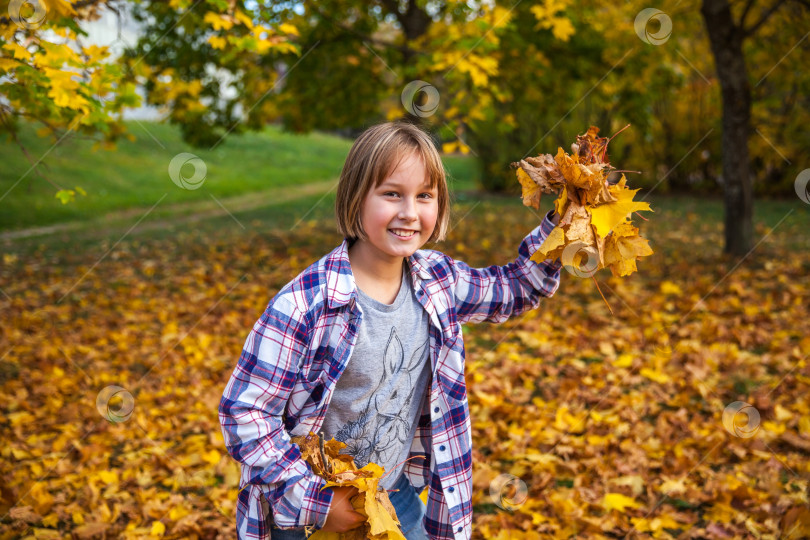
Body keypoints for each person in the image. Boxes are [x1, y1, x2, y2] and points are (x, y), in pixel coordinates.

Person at [218, 121, 562, 540]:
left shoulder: (439, 280)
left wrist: (565, 226)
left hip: (391, 493)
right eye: (392, 194)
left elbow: (516, 287)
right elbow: (246, 412)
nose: (409, 213)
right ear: (355, 198)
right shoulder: (306, 305)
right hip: (311, 508)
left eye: (424, 197)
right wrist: (318, 501)